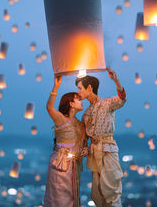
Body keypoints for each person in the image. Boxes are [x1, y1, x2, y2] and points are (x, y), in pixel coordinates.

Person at [76, 68, 126, 207]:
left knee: (111, 189)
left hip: (107, 149)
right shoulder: (85, 113)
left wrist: (116, 80)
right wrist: (85, 148)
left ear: (89, 88)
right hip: (93, 152)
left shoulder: (107, 103)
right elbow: (85, 136)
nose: (78, 92)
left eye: (80, 88)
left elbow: (122, 99)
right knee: (97, 193)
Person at [44, 76, 88, 207]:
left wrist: (86, 149)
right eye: (78, 99)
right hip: (60, 164)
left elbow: (84, 143)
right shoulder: (62, 119)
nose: (82, 101)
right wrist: (56, 87)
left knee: (72, 198)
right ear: (71, 103)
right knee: (59, 199)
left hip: (74, 166)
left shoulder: (80, 124)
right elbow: (49, 108)